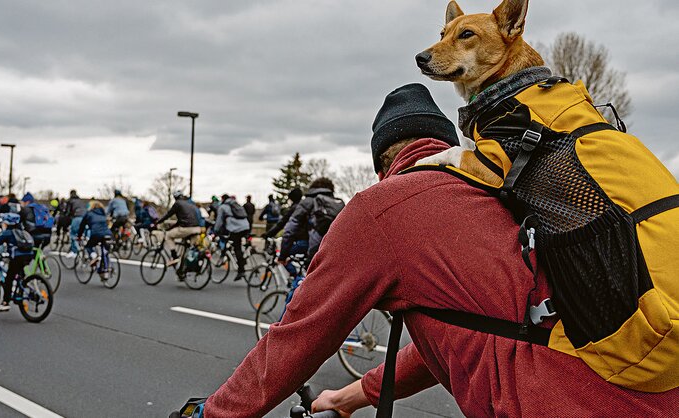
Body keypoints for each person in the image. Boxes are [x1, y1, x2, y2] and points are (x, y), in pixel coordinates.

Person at [178, 84, 679, 417]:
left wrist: (210, 415)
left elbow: (294, 341)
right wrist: (353, 397)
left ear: (382, 164)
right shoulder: (497, 191)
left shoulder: (382, 211)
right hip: (647, 386)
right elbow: (469, 333)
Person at [0, 213, 34, 312]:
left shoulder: (8, 233)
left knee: (9, 278)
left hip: (17, 257)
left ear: (7, 223)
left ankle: (5, 302)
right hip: (28, 256)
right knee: (20, 275)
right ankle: (20, 292)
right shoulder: (22, 232)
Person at [279, 177, 341, 264]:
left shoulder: (308, 201)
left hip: (313, 250)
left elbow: (290, 229)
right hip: (336, 251)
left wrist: (282, 256)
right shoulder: (338, 203)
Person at [152, 191, 202, 266]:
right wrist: (172, 227)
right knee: (190, 249)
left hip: (187, 228)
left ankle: (174, 256)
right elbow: (181, 220)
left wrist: (158, 222)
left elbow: (168, 214)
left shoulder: (177, 203)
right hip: (197, 228)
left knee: (168, 236)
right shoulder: (190, 204)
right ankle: (184, 270)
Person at [214, 194, 251, 280]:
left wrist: (216, 231)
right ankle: (242, 259)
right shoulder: (236, 204)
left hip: (236, 228)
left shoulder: (223, 207)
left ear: (223, 199)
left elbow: (219, 222)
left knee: (236, 247)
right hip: (246, 226)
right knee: (237, 244)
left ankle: (241, 270)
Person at [64, 190, 87, 257]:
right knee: (81, 234)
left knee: (73, 234)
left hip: (77, 217)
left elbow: (68, 212)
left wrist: (66, 221)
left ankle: (74, 251)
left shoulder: (70, 201)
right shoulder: (81, 201)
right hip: (85, 218)